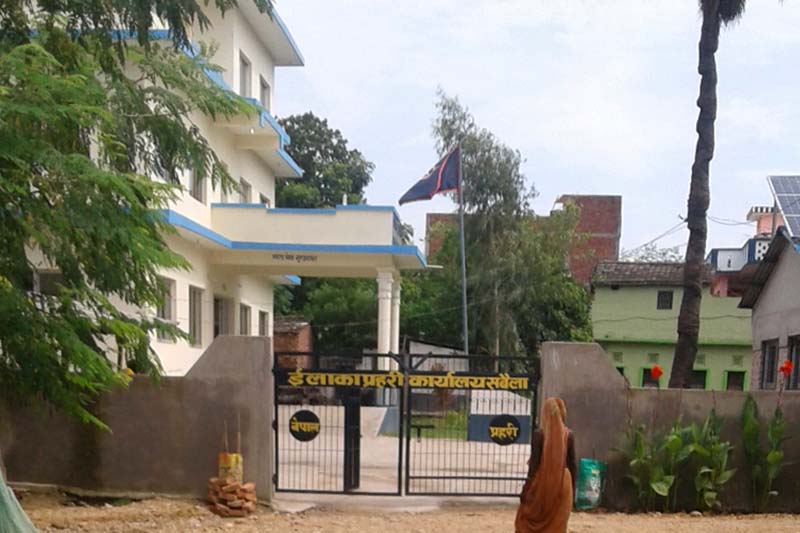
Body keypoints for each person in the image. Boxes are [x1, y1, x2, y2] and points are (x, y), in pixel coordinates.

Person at [515, 397, 577, 533]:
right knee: (558, 523)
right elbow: (573, 465)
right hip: (563, 483)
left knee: (527, 517)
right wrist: (573, 488)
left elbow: (534, 467)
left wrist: (526, 489)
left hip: (543, 483)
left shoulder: (539, 435)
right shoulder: (569, 435)